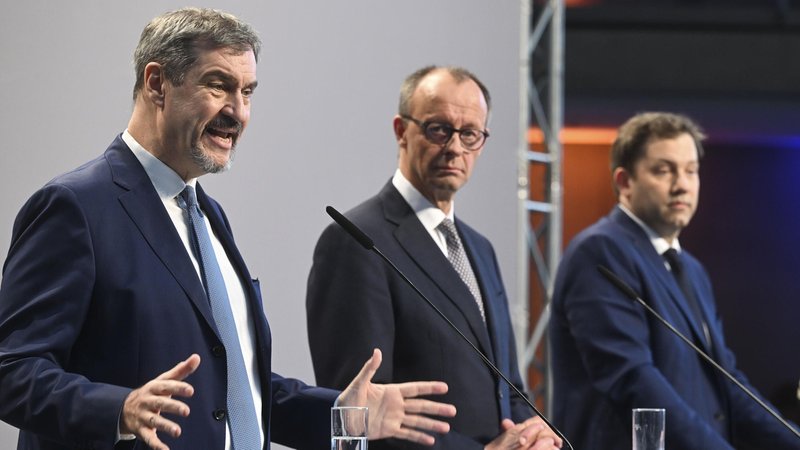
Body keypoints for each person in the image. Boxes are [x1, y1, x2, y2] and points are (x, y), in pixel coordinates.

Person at [0, 8, 458, 450]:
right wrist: (118, 410)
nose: (238, 112)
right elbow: (12, 370)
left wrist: (339, 417)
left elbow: (232, 388)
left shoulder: (209, 217)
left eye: (248, 92)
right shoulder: (75, 207)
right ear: (157, 83)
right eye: (219, 86)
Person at [306, 65, 563, 450]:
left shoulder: (480, 248)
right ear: (401, 131)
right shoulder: (355, 240)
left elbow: (507, 387)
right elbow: (359, 412)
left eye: (470, 134)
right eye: (439, 129)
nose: (455, 147)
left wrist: (536, 434)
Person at [549, 111, 800, 449]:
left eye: (691, 171)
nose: (682, 184)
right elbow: (633, 381)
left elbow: (727, 382)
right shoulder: (601, 251)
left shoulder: (691, 270)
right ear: (624, 182)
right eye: (664, 170)